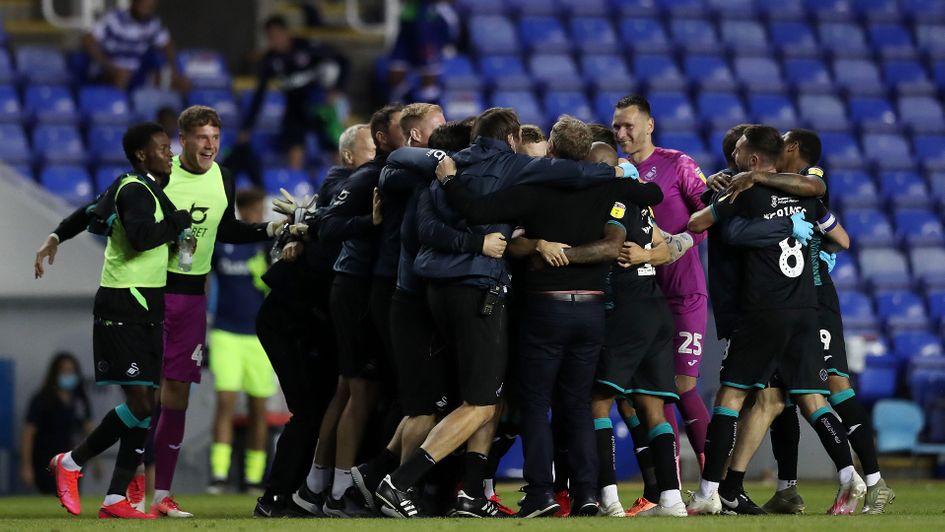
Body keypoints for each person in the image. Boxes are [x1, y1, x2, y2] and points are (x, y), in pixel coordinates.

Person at [374, 107, 640, 519]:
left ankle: (470, 496)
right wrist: (620, 173)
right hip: (483, 291)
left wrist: (439, 165)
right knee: (482, 403)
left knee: (479, 399)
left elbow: (407, 189)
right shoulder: (521, 169)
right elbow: (581, 176)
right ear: (514, 138)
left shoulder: (448, 165)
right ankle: (399, 482)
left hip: (433, 293)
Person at [439, 116, 665, 518]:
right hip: (593, 307)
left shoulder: (534, 187)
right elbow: (653, 194)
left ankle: (541, 493)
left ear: (554, 153)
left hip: (546, 305)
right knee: (577, 404)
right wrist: (616, 173)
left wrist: (449, 179)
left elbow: (474, 210)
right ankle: (586, 495)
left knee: (536, 402)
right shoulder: (608, 184)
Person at [686, 125, 865, 516]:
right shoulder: (799, 190)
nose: (732, 162)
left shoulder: (746, 189)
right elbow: (840, 235)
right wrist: (817, 246)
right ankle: (853, 476)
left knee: (730, 397)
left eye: (738, 155)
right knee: (804, 400)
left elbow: (707, 226)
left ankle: (708, 492)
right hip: (805, 309)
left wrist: (723, 194)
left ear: (751, 159)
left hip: (762, 310)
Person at [45, 122, 192, 519]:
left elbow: (90, 210)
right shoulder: (136, 191)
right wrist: (176, 225)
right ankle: (72, 463)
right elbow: (143, 237)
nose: (171, 154)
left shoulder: (136, 186)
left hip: (145, 304)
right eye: (163, 148)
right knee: (143, 403)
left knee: (147, 403)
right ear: (143, 154)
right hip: (124, 304)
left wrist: (57, 236)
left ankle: (115, 499)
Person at [760, 129, 895, 515]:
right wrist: (825, 245)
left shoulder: (809, 178)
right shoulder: (787, 196)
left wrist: (822, 251)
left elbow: (818, 192)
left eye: (782, 143)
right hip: (791, 301)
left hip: (815, 302)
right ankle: (791, 488)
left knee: (832, 386)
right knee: (790, 395)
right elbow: (839, 236)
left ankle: (873, 482)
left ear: (794, 148)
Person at [255, 124, 374, 518]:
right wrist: (295, 232)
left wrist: (299, 228)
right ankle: (275, 497)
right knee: (310, 410)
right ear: (349, 157)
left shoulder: (342, 193)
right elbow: (326, 223)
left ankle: (307, 493)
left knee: (325, 405)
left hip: (312, 318)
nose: (379, 156)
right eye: (371, 150)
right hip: (288, 317)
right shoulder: (342, 183)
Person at [612, 95, 710, 501]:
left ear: (649, 125)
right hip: (639, 296)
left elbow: (708, 215)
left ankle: (714, 485)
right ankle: (666, 491)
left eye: (628, 125)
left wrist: (673, 244)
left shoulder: (678, 164)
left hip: (682, 291)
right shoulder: (615, 171)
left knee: (682, 385)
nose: (621, 133)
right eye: (616, 126)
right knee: (647, 393)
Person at [315, 105, 404, 516]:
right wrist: (369, 223)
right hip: (353, 287)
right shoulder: (365, 177)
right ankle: (336, 490)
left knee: (351, 388)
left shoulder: (383, 174)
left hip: (361, 286)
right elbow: (328, 224)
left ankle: (321, 482)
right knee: (359, 389)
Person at [207, 188, 277, 494]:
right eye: (256, 210)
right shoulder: (224, 244)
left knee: (258, 409)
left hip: (258, 337)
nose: (260, 216)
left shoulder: (267, 244)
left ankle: (253, 477)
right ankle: (219, 475)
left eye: (262, 210)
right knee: (225, 403)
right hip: (225, 332)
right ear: (243, 211)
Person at [239, 15, 349, 170]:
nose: (275, 40)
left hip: (319, 105)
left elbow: (343, 60)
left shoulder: (307, 47)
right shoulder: (271, 60)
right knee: (294, 143)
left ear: (286, 33)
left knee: (334, 144)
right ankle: (295, 184)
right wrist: (248, 126)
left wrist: (338, 89)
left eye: (278, 35)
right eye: (271, 37)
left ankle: (344, 182)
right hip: (294, 109)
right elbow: (260, 94)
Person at [21, 353, 93, 495]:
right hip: (46, 459)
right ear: (55, 373)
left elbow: (88, 429)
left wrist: (97, 461)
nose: (68, 375)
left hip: (73, 459)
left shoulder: (79, 400)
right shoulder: (42, 399)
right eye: (64, 371)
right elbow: (28, 432)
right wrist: (26, 466)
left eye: (72, 371)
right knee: (51, 493)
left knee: (72, 494)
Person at [80, 0, 189, 91]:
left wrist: (176, 73)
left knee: (180, 83)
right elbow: (87, 41)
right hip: (107, 70)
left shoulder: (152, 23)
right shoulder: (114, 18)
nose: (146, 10)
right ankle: (118, 109)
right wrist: (111, 68)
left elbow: (167, 45)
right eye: (143, 5)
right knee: (122, 77)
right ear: (134, 2)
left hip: (135, 73)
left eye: (150, 7)